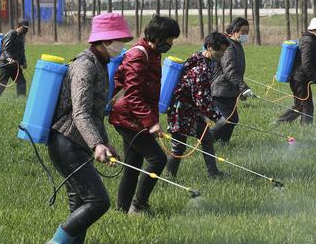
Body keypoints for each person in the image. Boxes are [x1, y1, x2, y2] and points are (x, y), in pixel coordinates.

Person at [42, 12, 133, 244]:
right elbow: (80, 112)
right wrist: (96, 144)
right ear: (103, 41)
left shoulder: (100, 63)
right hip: (66, 142)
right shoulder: (84, 65)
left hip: (77, 142)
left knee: (80, 201)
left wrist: (105, 142)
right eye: (118, 39)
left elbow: (96, 113)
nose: (121, 45)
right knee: (98, 201)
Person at [109, 15, 180, 216]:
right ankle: (139, 206)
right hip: (127, 118)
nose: (171, 43)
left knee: (133, 164)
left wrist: (151, 121)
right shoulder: (138, 56)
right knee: (157, 159)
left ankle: (122, 210)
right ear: (158, 36)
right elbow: (132, 96)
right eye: (169, 38)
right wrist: (151, 123)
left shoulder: (153, 53)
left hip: (135, 118)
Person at [165, 32, 230, 179]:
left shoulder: (203, 60)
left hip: (193, 111)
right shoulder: (200, 68)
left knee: (206, 139)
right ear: (209, 47)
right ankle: (168, 178)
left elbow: (200, 99)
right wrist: (217, 117)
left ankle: (213, 173)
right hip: (181, 111)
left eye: (225, 51)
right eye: (220, 50)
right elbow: (201, 99)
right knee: (178, 147)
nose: (223, 54)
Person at [276, 17, 316, 125]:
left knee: (300, 105)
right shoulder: (308, 42)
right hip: (300, 79)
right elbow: (306, 65)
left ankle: (279, 123)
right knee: (306, 106)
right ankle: (306, 129)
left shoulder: (308, 40)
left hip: (300, 79)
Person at [210, 17, 254, 143]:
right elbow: (230, 71)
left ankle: (222, 142)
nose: (245, 35)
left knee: (231, 119)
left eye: (247, 32)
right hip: (220, 89)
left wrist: (240, 90)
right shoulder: (228, 47)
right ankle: (207, 140)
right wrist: (243, 87)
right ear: (234, 31)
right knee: (228, 119)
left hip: (229, 90)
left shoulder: (237, 45)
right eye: (243, 32)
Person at [0, 19, 29, 98]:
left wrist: (24, 62)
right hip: (6, 64)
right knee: (3, 82)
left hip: (15, 64)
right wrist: (9, 59)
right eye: (24, 28)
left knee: (22, 81)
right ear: (19, 26)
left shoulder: (21, 37)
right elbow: (5, 49)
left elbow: (22, 51)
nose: (25, 30)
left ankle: (21, 99)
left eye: (27, 28)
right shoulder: (12, 33)